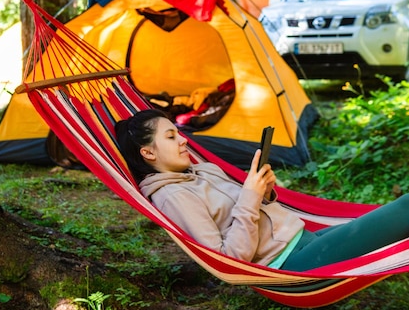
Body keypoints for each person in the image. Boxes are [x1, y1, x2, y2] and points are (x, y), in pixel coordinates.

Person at [115, 108, 409, 272]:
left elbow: (251, 210)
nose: (183, 141)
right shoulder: (173, 197)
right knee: (404, 209)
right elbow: (228, 259)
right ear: (148, 153)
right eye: (171, 136)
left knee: (392, 217)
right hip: (289, 264)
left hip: (301, 238)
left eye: (179, 133)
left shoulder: (202, 168)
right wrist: (250, 198)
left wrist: (265, 192)